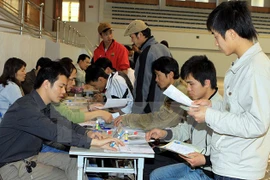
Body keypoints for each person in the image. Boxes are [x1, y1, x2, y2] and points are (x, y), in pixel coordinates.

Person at [188, 1, 270, 180]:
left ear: (232, 34)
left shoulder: (256, 69)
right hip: (228, 163)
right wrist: (211, 106)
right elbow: (236, 112)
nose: (216, 43)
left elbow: (256, 123)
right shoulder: (241, 66)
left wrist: (209, 115)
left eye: (216, 36)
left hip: (239, 169)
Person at [0, 61, 123, 180]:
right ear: (47, 84)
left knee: (74, 163)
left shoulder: (42, 105)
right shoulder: (27, 108)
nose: (64, 92)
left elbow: (64, 122)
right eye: (61, 86)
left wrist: (87, 133)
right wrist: (92, 142)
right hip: (12, 166)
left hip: (31, 157)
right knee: (65, 177)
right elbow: (55, 132)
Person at [145, 55, 222, 180]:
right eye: (187, 84)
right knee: (155, 176)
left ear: (207, 83)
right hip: (193, 166)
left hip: (209, 171)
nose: (188, 89)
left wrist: (205, 160)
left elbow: (226, 151)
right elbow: (184, 130)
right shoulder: (195, 102)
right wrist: (164, 133)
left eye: (191, 84)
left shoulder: (221, 109)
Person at [114, 56, 186, 131]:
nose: (156, 79)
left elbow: (160, 120)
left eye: (158, 75)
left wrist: (129, 119)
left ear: (170, 75)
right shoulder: (175, 88)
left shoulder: (178, 93)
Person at [124, 20, 172, 114]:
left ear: (140, 35)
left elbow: (142, 86)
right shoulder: (164, 48)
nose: (132, 41)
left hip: (150, 108)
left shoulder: (146, 53)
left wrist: (136, 113)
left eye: (132, 37)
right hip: (165, 105)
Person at [53, 57, 113, 124]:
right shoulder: (54, 96)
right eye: (71, 79)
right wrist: (99, 113)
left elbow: (69, 112)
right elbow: (71, 117)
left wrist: (89, 108)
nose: (74, 83)